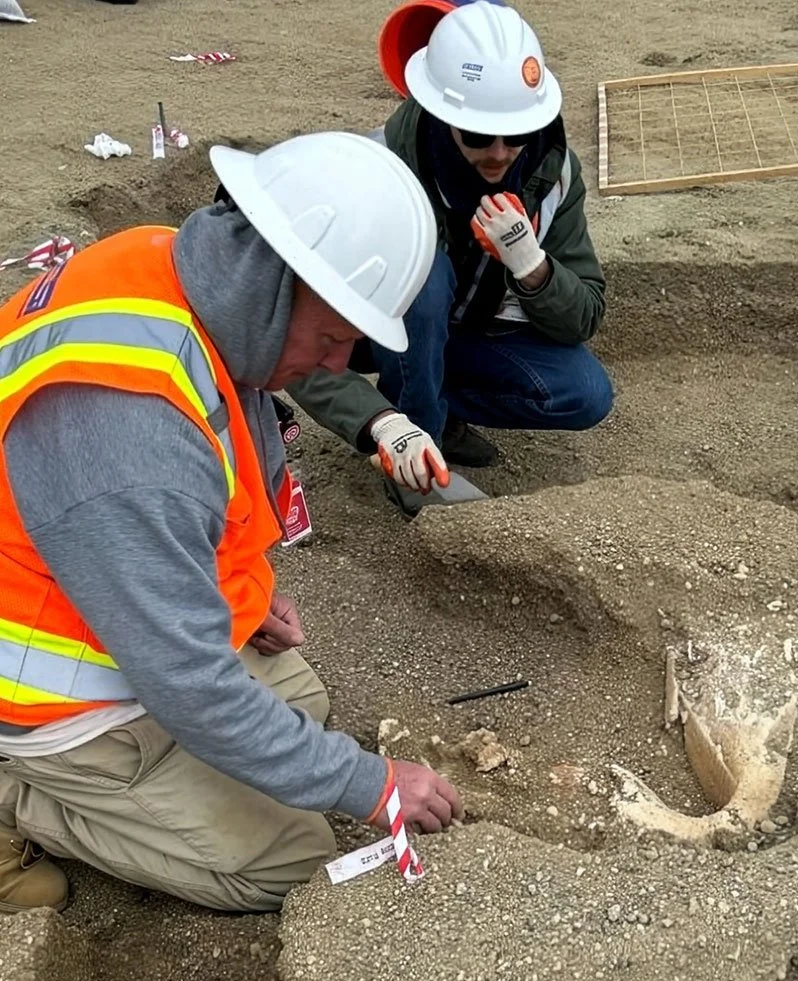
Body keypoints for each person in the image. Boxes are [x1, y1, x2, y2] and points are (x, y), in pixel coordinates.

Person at [0, 131, 461, 915]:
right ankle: (19, 795)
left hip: (99, 598)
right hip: (47, 695)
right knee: (290, 859)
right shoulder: (125, 430)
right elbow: (189, 683)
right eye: (332, 338)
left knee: (301, 708)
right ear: (275, 288)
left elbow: (204, 493)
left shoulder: (187, 272)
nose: (337, 366)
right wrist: (372, 783)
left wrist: (246, 594)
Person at [279, 0, 613, 471]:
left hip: (470, 338)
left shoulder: (553, 174)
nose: (500, 153)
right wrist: (379, 422)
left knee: (585, 393)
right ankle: (415, 439)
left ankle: (434, 405)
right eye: (478, 135)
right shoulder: (377, 169)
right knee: (423, 275)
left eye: (515, 133)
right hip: (377, 336)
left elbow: (583, 318)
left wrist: (532, 267)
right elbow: (286, 332)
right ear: (441, 116)